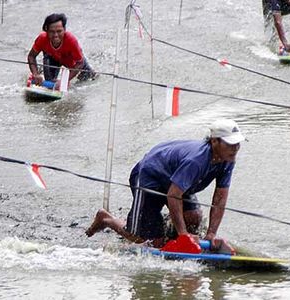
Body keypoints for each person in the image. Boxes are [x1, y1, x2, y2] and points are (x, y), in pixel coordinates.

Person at [86, 119, 246, 254]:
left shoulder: (227, 160)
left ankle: (169, 229)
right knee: (148, 240)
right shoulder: (196, 161)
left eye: (237, 144)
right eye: (230, 144)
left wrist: (211, 234)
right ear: (214, 141)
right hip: (150, 176)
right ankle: (106, 219)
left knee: (194, 218)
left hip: (175, 179)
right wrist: (183, 234)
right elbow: (173, 195)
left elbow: (220, 198)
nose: (235, 148)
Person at [27, 13, 96, 87]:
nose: (55, 35)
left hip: (73, 62)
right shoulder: (42, 38)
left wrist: (65, 81)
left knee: (91, 77)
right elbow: (31, 56)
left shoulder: (71, 40)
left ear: (64, 30)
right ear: (46, 30)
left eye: (59, 31)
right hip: (53, 59)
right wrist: (35, 74)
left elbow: (80, 62)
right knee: (49, 83)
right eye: (52, 32)